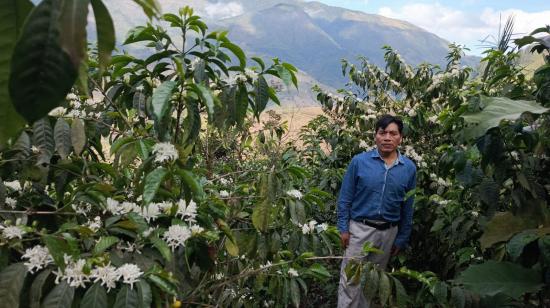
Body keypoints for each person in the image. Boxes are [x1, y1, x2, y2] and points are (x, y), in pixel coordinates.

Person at [337, 115, 417, 308]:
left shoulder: (408, 168)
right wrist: (343, 228)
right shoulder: (359, 162)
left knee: (370, 282)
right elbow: (345, 198)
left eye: (393, 133)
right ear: (375, 136)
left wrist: (402, 237)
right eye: (383, 133)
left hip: (388, 234)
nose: (387, 138)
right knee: (350, 280)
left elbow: (408, 206)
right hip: (359, 230)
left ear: (400, 138)